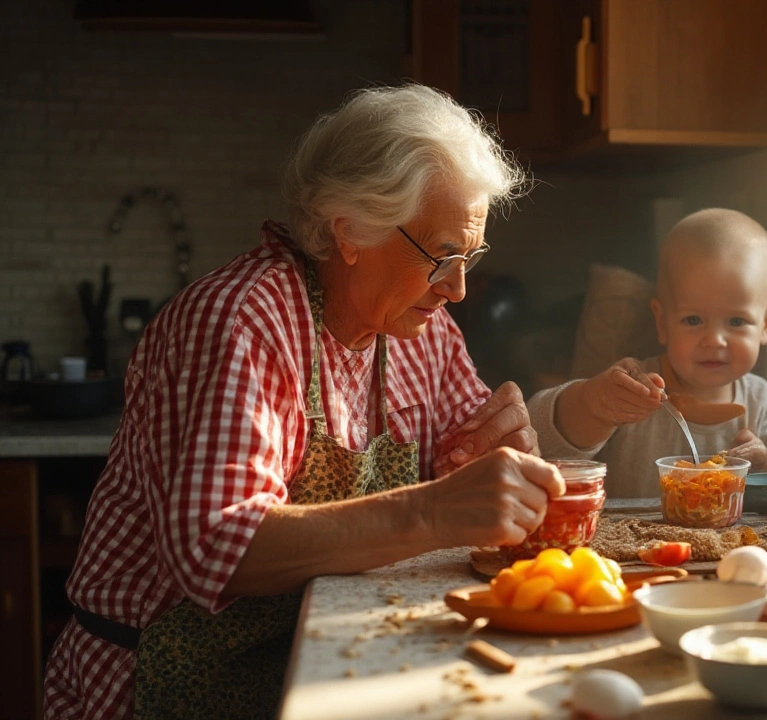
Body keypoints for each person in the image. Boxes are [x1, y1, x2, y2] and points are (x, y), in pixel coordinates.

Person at [42, 84, 565, 720]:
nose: (457, 288)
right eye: (442, 255)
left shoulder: (417, 328)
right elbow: (214, 545)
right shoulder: (242, 320)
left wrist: (501, 450)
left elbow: (469, 464)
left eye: (470, 254)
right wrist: (437, 510)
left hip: (308, 659)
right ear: (351, 232)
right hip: (157, 679)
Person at [528, 208, 767, 498]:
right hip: (628, 537)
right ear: (662, 322)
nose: (715, 340)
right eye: (693, 320)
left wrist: (766, 464)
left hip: (726, 538)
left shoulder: (759, 398)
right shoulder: (632, 388)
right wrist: (594, 405)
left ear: (766, 325)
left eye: (737, 322)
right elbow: (541, 443)